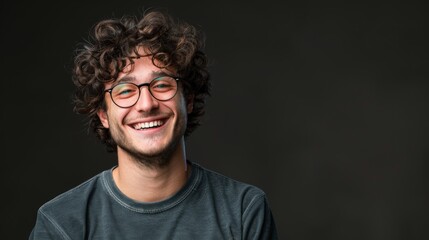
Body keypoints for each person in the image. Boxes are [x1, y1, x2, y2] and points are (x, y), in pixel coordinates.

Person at [29, 9, 278, 239]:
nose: (146, 104)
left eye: (161, 85)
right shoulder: (61, 223)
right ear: (103, 115)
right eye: (125, 91)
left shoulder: (244, 210)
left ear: (187, 100)